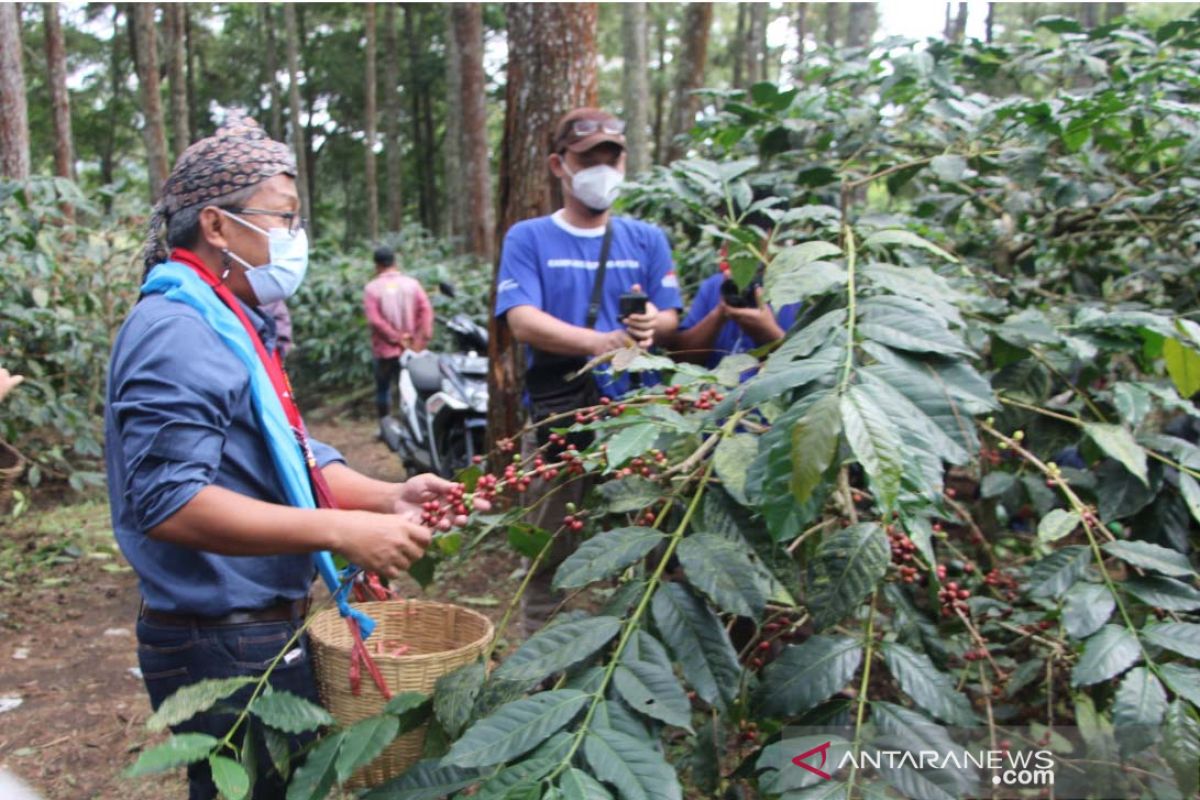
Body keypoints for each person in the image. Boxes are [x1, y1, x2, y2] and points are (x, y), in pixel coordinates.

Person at [106, 115, 476, 800]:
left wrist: (384, 497)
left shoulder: (228, 317)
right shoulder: (177, 331)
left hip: (252, 624)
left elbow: (283, 455)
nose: (295, 239)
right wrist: (342, 532)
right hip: (219, 636)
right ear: (216, 226)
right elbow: (168, 501)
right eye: (283, 218)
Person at [493, 107, 682, 635]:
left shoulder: (646, 239)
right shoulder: (529, 238)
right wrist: (599, 342)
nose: (602, 170)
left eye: (611, 159)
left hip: (639, 420)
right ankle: (544, 669)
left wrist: (650, 325)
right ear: (559, 165)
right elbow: (522, 319)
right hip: (562, 422)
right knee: (551, 552)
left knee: (647, 545)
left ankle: (636, 662)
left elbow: (670, 312)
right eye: (588, 159)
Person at [666, 257, 799, 370]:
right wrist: (719, 312)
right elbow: (680, 360)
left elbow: (800, 368)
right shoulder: (715, 286)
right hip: (711, 393)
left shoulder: (792, 293)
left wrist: (768, 333)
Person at [363, 246, 433, 419]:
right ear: (394, 262)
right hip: (411, 349)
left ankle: (385, 426)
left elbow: (374, 320)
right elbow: (426, 311)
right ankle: (410, 425)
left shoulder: (372, 289)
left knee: (383, 388)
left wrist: (395, 337)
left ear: (377, 265)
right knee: (409, 388)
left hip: (385, 350)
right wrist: (418, 340)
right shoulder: (412, 285)